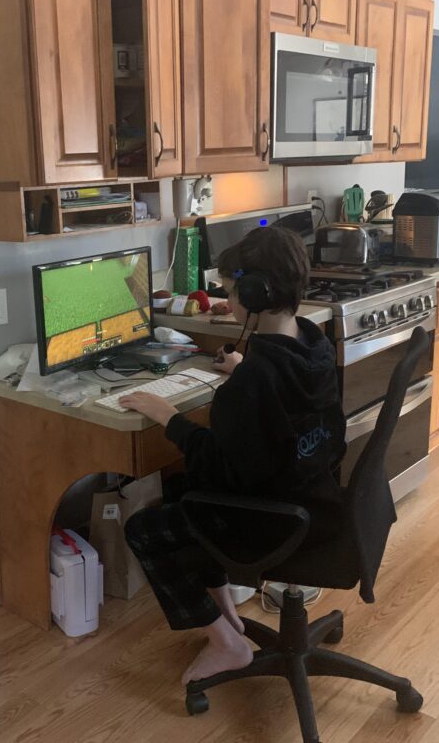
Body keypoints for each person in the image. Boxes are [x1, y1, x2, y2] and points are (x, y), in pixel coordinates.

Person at [119, 225, 347, 686]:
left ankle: (227, 644)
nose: (227, 299)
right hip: (317, 503)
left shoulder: (255, 382)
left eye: (229, 290)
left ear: (256, 293)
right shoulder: (313, 346)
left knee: (144, 529)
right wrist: (245, 370)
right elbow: (278, 411)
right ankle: (226, 615)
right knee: (182, 488)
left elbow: (219, 467)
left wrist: (169, 417)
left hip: (272, 521)